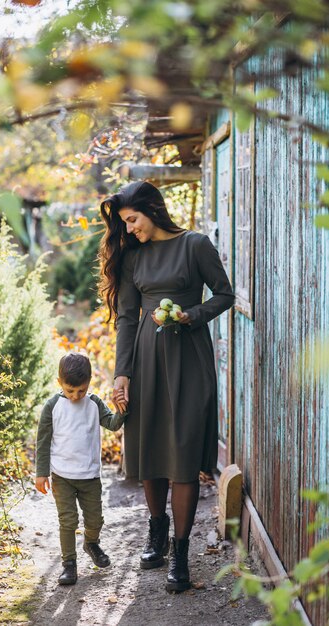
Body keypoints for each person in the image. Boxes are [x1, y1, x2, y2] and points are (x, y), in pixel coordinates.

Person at [98, 181, 235, 593]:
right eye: (124, 223)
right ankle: (156, 533)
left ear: (152, 211)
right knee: (149, 445)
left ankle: (180, 553)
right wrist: (122, 374)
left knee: (184, 449)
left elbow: (224, 295)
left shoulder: (195, 245)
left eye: (133, 220)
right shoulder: (132, 255)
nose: (130, 229)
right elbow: (125, 317)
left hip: (188, 356)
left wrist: (189, 316)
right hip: (145, 360)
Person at [35, 352, 127, 585]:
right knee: (68, 521)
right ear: (60, 384)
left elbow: (112, 424)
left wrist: (121, 409)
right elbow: (43, 441)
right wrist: (41, 473)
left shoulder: (94, 403)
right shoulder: (53, 406)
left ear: (89, 383)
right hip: (62, 476)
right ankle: (69, 564)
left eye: (81, 391)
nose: (76, 396)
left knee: (95, 520)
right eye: (70, 391)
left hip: (89, 476)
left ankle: (91, 543)